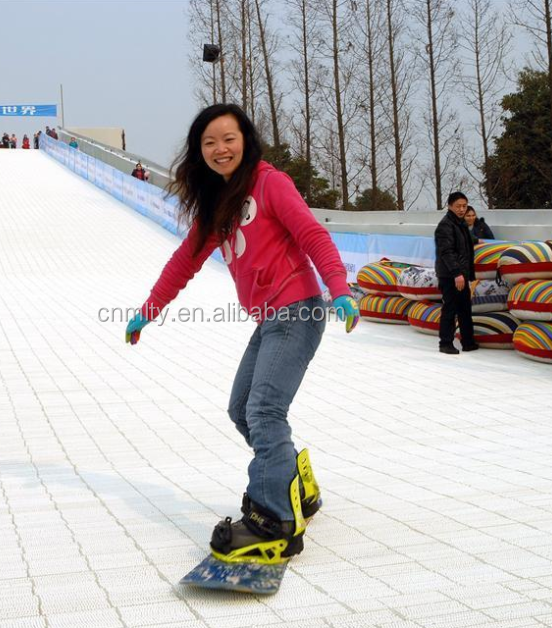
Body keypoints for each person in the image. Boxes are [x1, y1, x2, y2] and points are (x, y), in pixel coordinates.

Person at [124, 104, 359, 564]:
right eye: (209, 143)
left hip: (298, 310)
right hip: (270, 317)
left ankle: (276, 520)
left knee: (265, 409)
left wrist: (339, 288)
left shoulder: (270, 183)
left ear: (245, 141)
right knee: (242, 410)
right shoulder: (219, 203)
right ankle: (296, 485)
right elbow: (185, 262)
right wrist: (148, 311)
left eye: (228, 139)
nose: (219, 149)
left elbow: (312, 234)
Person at [435, 192, 478, 355]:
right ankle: (445, 343)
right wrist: (456, 274)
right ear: (450, 206)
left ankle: (468, 342)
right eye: (458, 206)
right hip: (450, 275)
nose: (461, 209)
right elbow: (446, 252)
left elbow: (465, 243)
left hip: (461, 274)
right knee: (450, 309)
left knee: (465, 309)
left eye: (464, 206)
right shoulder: (445, 225)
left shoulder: (460, 224)